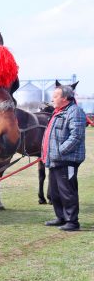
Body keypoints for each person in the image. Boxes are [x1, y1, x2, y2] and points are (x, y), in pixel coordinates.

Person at [41, 84, 86, 231]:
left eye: (55, 96)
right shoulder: (58, 112)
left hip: (66, 160)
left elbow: (76, 136)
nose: (52, 99)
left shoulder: (75, 112)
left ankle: (72, 222)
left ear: (65, 98)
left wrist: (60, 151)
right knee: (55, 192)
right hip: (55, 160)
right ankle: (61, 217)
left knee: (67, 192)